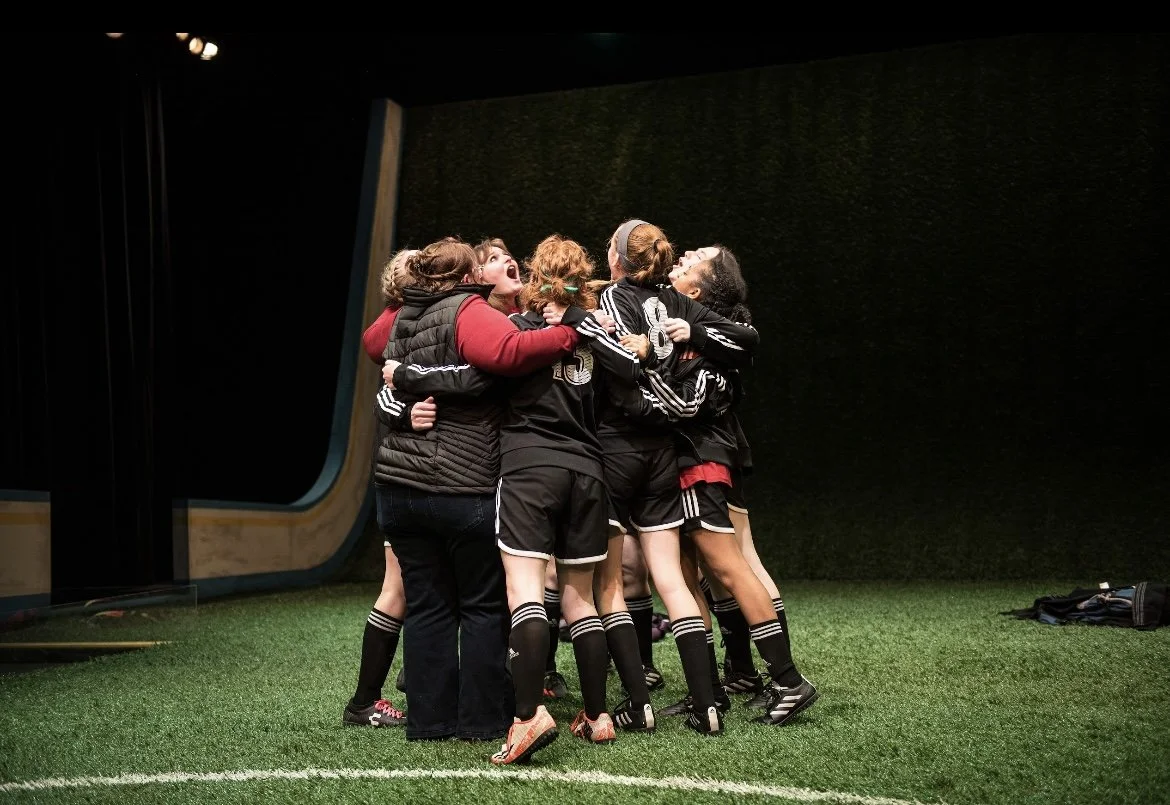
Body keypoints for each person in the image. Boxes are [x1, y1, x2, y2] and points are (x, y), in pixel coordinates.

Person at [370, 236, 582, 743]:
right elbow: (505, 356)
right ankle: (482, 721)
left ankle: (429, 722)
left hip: (397, 487)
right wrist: (570, 331)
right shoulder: (467, 310)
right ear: (468, 278)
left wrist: (406, 384)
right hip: (459, 484)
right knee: (483, 606)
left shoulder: (399, 316)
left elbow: (376, 351)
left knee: (426, 605)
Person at [586, 218, 761, 736]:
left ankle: (638, 701)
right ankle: (708, 704)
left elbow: (625, 368)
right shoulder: (676, 301)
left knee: (610, 582)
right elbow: (740, 337)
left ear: (617, 258)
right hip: (665, 454)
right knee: (671, 577)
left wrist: (588, 326)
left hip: (620, 448)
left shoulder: (612, 299)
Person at [654, 244, 819, 726]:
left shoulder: (713, 338)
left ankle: (788, 680)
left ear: (697, 290)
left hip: (699, 460)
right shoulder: (684, 319)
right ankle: (718, 686)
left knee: (730, 567)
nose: (683, 255)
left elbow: (692, 398)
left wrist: (644, 369)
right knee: (696, 575)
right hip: (687, 459)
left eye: (695, 259)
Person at [342, 248, 418, 729]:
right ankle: (364, 701)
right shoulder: (396, 324)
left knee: (417, 586)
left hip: (410, 469)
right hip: (403, 470)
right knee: (398, 587)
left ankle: (417, 678)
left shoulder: (403, 322)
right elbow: (373, 342)